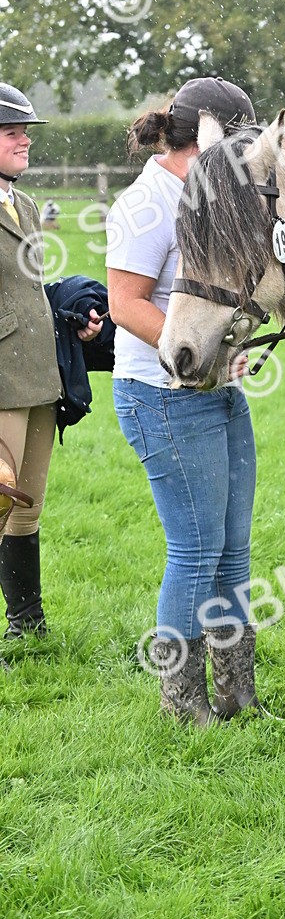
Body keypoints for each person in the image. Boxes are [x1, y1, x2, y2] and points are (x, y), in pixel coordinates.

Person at [107, 75, 285, 726]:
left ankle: (239, 694)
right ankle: (183, 704)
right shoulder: (148, 204)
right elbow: (123, 303)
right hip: (164, 394)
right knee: (194, 549)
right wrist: (199, 353)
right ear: (202, 138)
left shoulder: (212, 186)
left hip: (221, 392)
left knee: (232, 550)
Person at [0, 83, 103, 639]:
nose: (25, 142)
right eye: (12, 132)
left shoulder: (25, 204)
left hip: (40, 375)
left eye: (25, 133)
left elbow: (28, 289)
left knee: (27, 504)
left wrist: (70, 313)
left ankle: (26, 624)